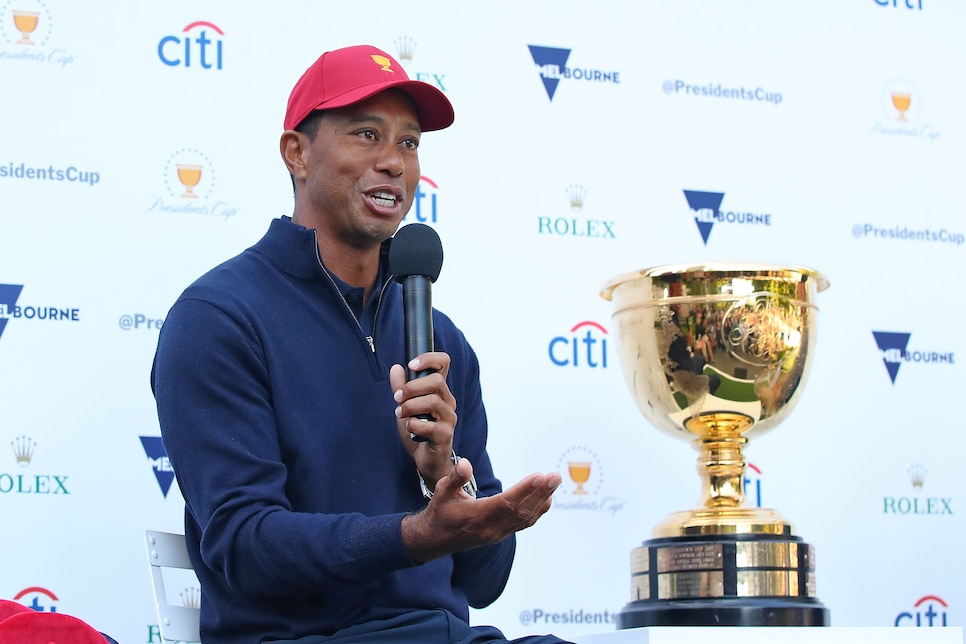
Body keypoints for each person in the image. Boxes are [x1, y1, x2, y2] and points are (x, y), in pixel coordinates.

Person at [151, 44, 568, 644]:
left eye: (408, 143)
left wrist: (443, 474)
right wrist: (417, 534)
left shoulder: (441, 339)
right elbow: (244, 545)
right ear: (297, 152)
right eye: (367, 135)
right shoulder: (218, 318)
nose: (394, 163)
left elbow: (484, 584)